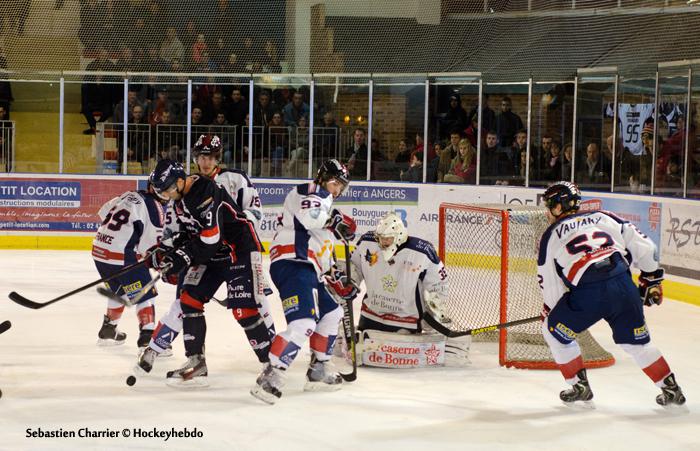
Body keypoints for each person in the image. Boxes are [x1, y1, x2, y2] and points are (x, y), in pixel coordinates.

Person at [537, 181, 686, 406]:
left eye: (549, 206)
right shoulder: (605, 216)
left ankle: (579, 385)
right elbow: (646, 247)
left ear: (558, 207)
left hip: (589, 295)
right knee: (638, 344)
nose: (547, 212)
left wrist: (552, 311)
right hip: (624, 286)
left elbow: (550, 283)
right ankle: (671, 388)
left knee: (553, 333)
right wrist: (650, 279)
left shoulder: (550, 236)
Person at [142, 158, 272, 388]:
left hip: (238, 251)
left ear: (180, 181)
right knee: (189, 300)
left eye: (168, 189)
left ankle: (272, 366)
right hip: (213, 254)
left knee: (244, 310)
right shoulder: (181, 199)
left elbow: (210, 238)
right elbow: (190, 234)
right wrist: (164, 252)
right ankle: (196, 363)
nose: (166, 195)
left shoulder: (204, 191)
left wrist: (180, 258)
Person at [251, 159, 357, 404]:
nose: (337, 190)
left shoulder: (325, 204)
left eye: (341, 186)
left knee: (331, 313)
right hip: (293, 262)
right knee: (303, 323)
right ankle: (271, 376)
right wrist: (335, 222)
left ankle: (318, 369)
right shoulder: (312, 191)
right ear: (323, 178)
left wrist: (336, 278)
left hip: (308, 267)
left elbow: (321, 251)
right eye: (335, 183)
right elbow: (310, 217)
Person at [351, 212, 470, 368]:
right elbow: (353, 266)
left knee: (393, 357)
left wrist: (434, 311)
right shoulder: (367, 242)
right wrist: (349, 281)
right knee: (354, 348)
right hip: (370, 315)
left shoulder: (422, 252)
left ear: (399, 236)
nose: (383, 242)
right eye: (380, 238)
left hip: (405, 321)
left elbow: (438, 284)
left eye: (388, 239)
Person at [92, 181, 167, 349]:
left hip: (99, 251)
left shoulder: (129, 194)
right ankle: (147, 340)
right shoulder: (154, 207)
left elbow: (104, 212)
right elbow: (150, 248)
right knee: (145, 293)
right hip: (122, 257)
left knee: (119, 291)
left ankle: (109, 329)